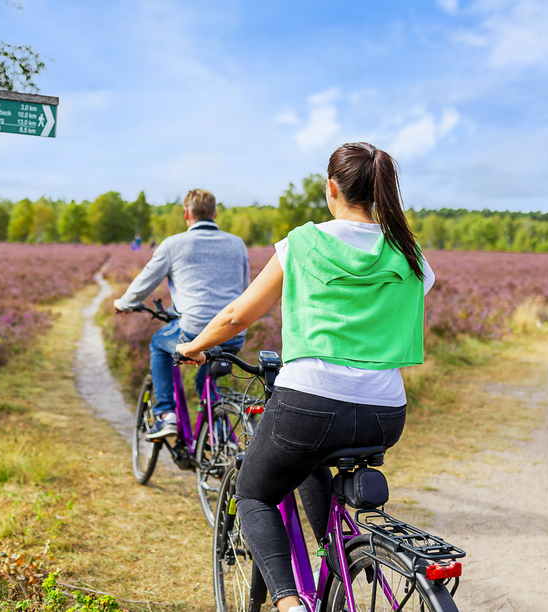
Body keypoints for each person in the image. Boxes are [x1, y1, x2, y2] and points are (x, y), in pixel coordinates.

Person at [176, 143, 435, 612]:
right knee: (309, 460)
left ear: (331, 188)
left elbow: (237, 315)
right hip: (384, 413)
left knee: (253, 493)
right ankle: (333, 553)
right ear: (378, 192)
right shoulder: (408, 252)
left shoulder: (302, 243)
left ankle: (289, 603)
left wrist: (192, 346)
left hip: (309, 402)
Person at [114, 189, 250, 439]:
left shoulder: (173, 244)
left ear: (186, 213)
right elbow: (244, 289)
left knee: (159, 345)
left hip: (194, 329)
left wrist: (124, 303)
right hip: (234, 331)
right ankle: (220, 440)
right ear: (215, 213)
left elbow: (144, 283)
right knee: (205, 383)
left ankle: (167, 414)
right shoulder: (237, 243)